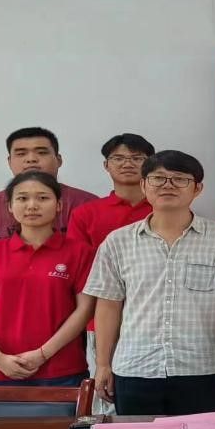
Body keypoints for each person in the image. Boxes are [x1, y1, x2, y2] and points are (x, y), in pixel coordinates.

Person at [85, 151, 215, 415]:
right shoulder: (118, 241)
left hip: (203, 368)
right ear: (143, 185)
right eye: (158, 178)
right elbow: (108, 305)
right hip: (135, 368)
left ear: (197, 189)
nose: (168, 185)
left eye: (180, 179)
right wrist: (103, 364)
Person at [0, 127, 97, 356]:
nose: (31, 159)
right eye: (21, 153)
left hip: (70, 332)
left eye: (41, 152)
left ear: (58, 159)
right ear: (9, 161)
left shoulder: (87, 205)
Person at [0, 172, 96, 385]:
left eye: (43, 198)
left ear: (59, 205)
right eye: (22, 198)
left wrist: (42, 354)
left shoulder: (80, 252)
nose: (32, 205)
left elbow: (85, 310)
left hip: (61, 370)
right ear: (10, 206)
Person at [67, 133, 156, 410]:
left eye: (136, 158)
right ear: (106, 165)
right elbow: (80, 271)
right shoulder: (87, 213)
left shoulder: (165, 208)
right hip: (102, 318)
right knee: (108, 394)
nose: (127, 163)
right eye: (118, 158)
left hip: (155, 317)